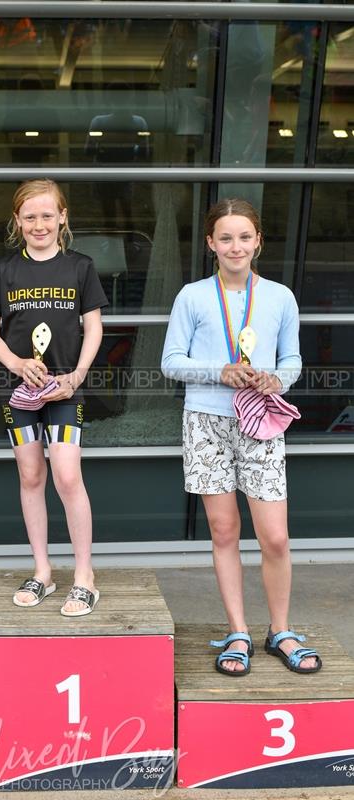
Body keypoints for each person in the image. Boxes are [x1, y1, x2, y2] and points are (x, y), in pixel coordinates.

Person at [161, 198, 321, 676]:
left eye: (245, 237)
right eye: (226, 237)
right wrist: (220, 371)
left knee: (274, 536)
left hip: (261, 423)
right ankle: (238, 631)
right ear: (210, 243)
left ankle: (281, 630)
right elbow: (171, 361)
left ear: (258, 242)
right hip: (206, 422)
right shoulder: (192, 296)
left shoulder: (279, 297)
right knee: (225, 531)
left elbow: (292, 360)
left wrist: (277, 379)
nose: (236, 246)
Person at [0, 179, 108, 616]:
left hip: (65, 389)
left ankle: (84, 576)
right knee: (31, 477)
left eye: (47, 215)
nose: (39, 224)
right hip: (19, 392)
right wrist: (16, 363)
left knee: (67, 476)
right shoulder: (3, 271)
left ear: (62, 217)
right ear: (18, 220)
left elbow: (94, 327)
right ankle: (43, 571)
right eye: (30, 216)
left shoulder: (80, 267)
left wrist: (78, 375)